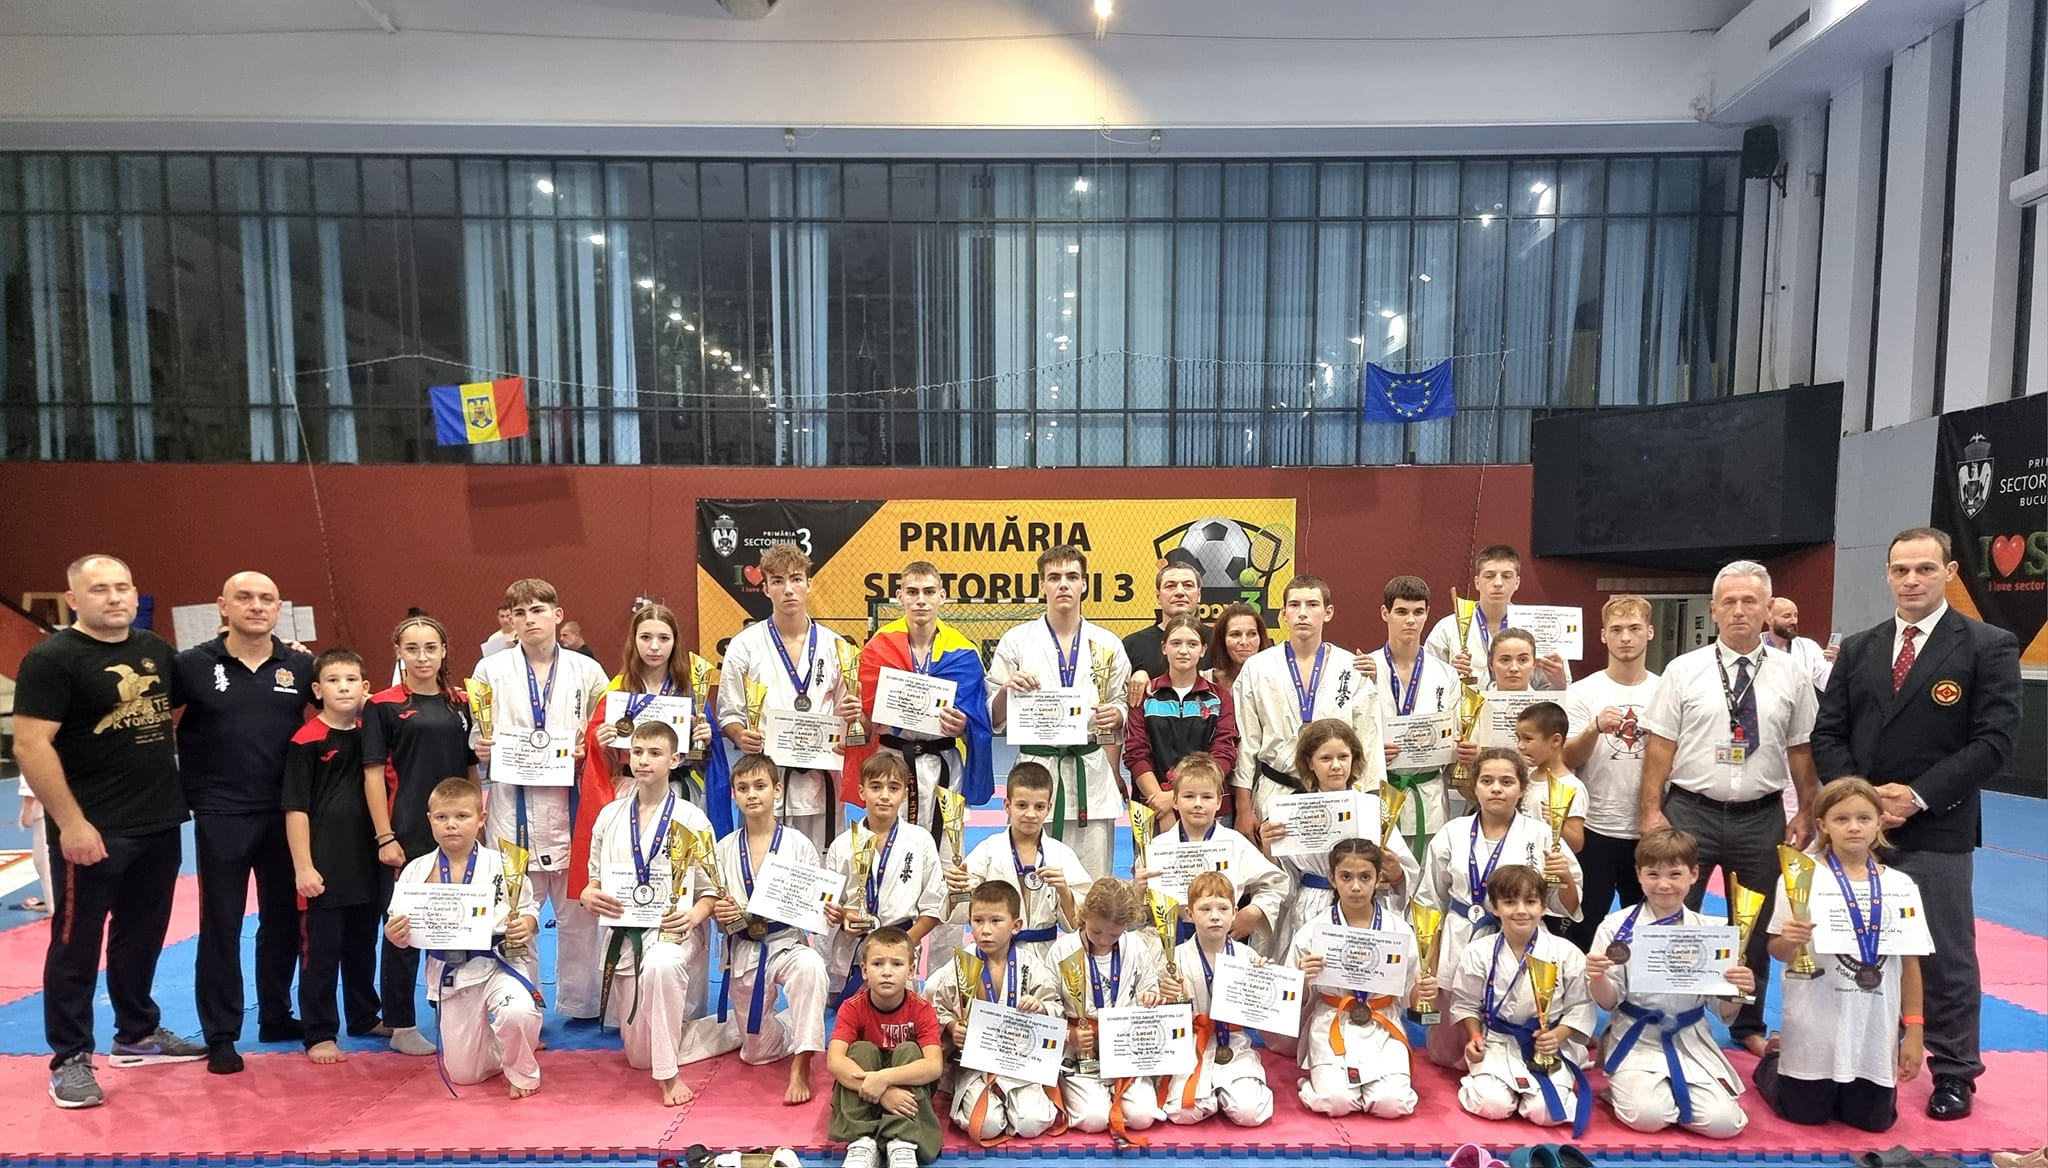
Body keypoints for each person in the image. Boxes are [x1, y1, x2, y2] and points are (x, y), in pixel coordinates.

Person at [1812, 527, 2020, 1121]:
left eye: (1925, 569)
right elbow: (1829, 732)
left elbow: (1995, 741)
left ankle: (1954, 1070)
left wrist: (1920, 795)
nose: (1911, 580)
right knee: (1848, 945)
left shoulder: (1987, 645)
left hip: (1937, 826)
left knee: (1944, 954)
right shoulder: (1861, 648)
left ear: (1949, 572)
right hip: (1858, 831)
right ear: (1886, 574)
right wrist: (1859, 800)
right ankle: (1854, 1056)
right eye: (1900, 569)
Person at [16, 555, 205, 1109]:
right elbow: (30, 744)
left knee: (142, 934)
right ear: (74, 598)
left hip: (158, 821)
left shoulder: (153, 649)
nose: (114, 597)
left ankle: (136, 1033)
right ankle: (70, 1057)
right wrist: (71, 823)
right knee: (76, 944)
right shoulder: (53, 659)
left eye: (122, 587)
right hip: (92, 828)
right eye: (99, 589)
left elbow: (197, 695)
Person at [1638, 559, 1820, 1058]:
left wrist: (1807, 811)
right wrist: (1651, 811)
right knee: (1672, 914)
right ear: (1714, 610)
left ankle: (1748, 1024)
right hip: (1689, 810)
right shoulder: (1683, 670)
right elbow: (1660, 747)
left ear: (1768, 609)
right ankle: (1668, 1016)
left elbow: (1801, 749)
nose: (1739, 610)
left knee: (1755, 926)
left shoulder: (1792, 674)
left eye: (1750, 601)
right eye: (1729, 602)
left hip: (1761, 815)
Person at [169, 570, 315, 1072]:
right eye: (245, 597)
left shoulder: (300, 665)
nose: (256, 606)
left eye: (267, 599)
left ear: (279, 609)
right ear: (223, 606)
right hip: (221, 812)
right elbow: (148, 719)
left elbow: (341, 715)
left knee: (283, 919)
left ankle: (276, 1014)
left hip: (285, 813)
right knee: (221, 924)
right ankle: (221, 1034)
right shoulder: (191, 665)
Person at [470, 578, 612, 1021]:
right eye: (520, 613)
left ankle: (582, 1004)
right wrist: (481, 745)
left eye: (538, 610)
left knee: (579, 915)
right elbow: (478, 732)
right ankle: (521, 1003)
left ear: (557, 614)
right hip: (513, 807)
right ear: (510, 622)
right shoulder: (489, 671)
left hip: (571, 804)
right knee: (517, 914)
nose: (529, 619)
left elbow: (604, 728)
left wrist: (589, 747)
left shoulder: (588, 670)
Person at [1755, 779, 1926, 1133]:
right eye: (1841, 819)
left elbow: (1910, 964)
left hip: (1873, 1023)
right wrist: (1789, 940)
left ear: (1880, 822)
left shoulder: (1900, 886)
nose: (1853, 827)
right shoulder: (1799, 876)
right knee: (1804, 1114)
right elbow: (1777, 951)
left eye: (1863, 818)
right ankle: (1774, 1058)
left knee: (1875, 1123)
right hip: (1815, 1018)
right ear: (1823, 825)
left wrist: (1914, 1030)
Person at [580, 721, 720, 1107]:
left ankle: (669, 1074)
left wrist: (694, 916)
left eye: (655, 753)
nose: (643, 760)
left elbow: (711, 892)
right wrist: (589, 895)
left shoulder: (693, 818)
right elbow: (593, 880)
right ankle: (732, 1031)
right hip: (626, 935)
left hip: (674, 932)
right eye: (638, 752)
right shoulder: (609, 815)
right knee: (638, 1056)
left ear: (674, 760)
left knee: (661, 964)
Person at [1416, 748, 1581, 1068]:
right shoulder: (1453, 832)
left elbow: (1568, 907)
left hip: (1519, 936)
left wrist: (1565, 878)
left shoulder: (1542, 835)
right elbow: (1429, 903)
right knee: (1447, 1055)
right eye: (1487, 781)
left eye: (1506, 782)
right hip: (1460, 933)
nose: (1496, 789)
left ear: (1522, 789)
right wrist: (1430, 969)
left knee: (1513, 1029)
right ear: (1474, 786)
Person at [1586, 827, 1753, 1138]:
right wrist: (1596, 976)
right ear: (1638, 875)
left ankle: (1662, 1094)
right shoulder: (1615, 928)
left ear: (1694, 874)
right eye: (1653, 874)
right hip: (1637, 1036)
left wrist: (1738, 988)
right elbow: (1608, 1002)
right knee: (1648, 1117)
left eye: (1675, 874)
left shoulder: (1712, 932)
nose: (1664, 885)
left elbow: (1723, 1012)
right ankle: (1625, 1089)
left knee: (1724, 1124)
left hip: (1691, 1037)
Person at [362, 614, 479, 1056]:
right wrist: (384, 836)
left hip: (458, 829)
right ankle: (400, 1023)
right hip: (409, 828)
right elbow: (373, 774)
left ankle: (463, 1012)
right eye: (412, 649)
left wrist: (476, 819)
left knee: (461, 923)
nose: (422, 657)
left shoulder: (461, 702)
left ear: (444, 650)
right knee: (403, 928)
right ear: (399, 652)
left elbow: (469, 767)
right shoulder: (383, 705)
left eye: (431, 648)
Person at [385, 777, 543, 1099]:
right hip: (453, 974)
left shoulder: (505, 865)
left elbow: (529, 907)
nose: (451, 825)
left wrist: (527, 923)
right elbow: (398, 926)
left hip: (500, 964)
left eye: (462, 816)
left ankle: (524, 1072)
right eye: (442, 817)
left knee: (517, 1012)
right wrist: (394, 934)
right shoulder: (417, 870)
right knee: (465, 1076)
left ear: (481, 818)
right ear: (429, 820)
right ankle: (497, 1048)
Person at [988, 545, 1130, 880]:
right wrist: (1007, 690)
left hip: (1090, 773)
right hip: (1035, 774)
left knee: (1092, 882)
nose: (1063, 584)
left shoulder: (1108, 643)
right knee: (1031, 878)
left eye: (1071, 576)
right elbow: (993, 717)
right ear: (1042, 585)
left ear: (1084, 584)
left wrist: (1118, 715)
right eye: (1054, 577)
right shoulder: (1016, 640)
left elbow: (1122, 702)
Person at [574, 603, 718, 919]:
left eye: (664, 638)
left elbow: (707, 758)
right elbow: (600, 760)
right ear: (634, 641)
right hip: (630, 790)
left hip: (680, 790)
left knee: (680, 866)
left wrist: (706, 739)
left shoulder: (690, 690)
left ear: (675, 642)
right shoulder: (618, 688)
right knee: (627, 860)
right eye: (646, 637)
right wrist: (600, 741)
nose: (654, 647)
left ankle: (679, 926)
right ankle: (628, 926)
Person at [716, 542, 858, 853]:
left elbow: (849, 717)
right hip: (767, 777)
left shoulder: (836, 646)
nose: (788, 589)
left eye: (796, 579)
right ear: (765, 588)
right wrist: (741, 736)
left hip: (822, 778)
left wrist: (850, 733)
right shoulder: (744, 646)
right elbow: (729, 712)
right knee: (766, 863)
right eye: (778, 581)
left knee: (822, 865)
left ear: (809, 584)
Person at [843, 562, 995, 844]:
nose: (921, 600)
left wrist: (964, 726)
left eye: (929, 592)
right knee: (888, 849)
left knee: (947, 853)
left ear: (942, 596)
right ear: (900, 596)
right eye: (912, 592)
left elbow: (977, 725)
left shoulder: (963, 652)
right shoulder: (878, 648)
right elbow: (866, 727)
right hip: (891, 763)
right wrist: (857, 717)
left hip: (944, 766)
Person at [709, 753, 831, 1104]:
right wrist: (720, 913)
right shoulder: (723, 849)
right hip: (746, 950)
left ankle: (802, 1062)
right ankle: (795, 1022)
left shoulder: (798, 844)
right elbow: (716, 910)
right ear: (734, 794)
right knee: (757, 1053)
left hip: (787, 942)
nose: (752, 794)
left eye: (760, 786)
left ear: (777, 790)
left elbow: (813, 904)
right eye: (743, 788)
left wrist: (825, 907)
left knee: (811, 967)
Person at [282, 648, 381, 1066]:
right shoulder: (306, 741)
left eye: (351, 680)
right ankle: (319, 1031)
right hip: (324, 864)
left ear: (365, 687)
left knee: (363, 945)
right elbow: (295, 808)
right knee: (321, 953)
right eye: (334, 680)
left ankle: (364, 1015)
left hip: (366, 859)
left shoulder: (370, 734)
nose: (343, 688)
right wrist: (303, 866)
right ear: (317, 690)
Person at [1231, 574, 1385, 839]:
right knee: (1274, 865)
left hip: (1337, 796)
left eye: (1312, 604)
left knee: (1338, 863)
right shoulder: (1257, 667)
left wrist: (1371, 804)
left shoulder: (1351, 668)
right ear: (1283, 613)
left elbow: (1368, 742)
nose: (1302, 613)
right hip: (1276, 791)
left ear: (1328, 612)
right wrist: (1243, 808)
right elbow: (1245, 742)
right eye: (1294, 605)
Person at [1287, 838, 1431, 1118]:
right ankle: (1312, 1083)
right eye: (1346, 877)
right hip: (1333, 1021)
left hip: (1382, 1022)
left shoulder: (1398, 931)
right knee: (1335, 1102)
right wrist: (1302, 978)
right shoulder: (1313, 931)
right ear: (1332, 879)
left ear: (1379, 879)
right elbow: (1292, 1001)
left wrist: (1423, 991)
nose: (1355, 886)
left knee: (1393, 1104)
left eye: (1365, 877)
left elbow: (1410, 997)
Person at [1447, 863, 1595, 1136]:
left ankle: (1535, 1091)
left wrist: (1557, 1036)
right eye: (1509, 902)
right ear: (1494, 907)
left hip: (1549, 1046)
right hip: (1497, 1041)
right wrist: (1474, 1037)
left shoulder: (1566, 953)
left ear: (1544, 906)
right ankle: (1498, 1087)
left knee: (1546, 1113)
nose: (1521, 910)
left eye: (1530, 901)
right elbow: (1465, 1004)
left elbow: (1581, 1006)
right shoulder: (1478, 951)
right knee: (1491, 1105)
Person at [928, 881, 1067, 1144]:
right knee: (987, 1126)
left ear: (1016, 925)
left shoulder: (1030, 966)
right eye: (978, 921)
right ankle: (995, 1105)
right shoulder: (959, 965)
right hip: (975, 1066)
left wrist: (1041, 1007)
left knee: (1031, 1123)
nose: (986, 930)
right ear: (969, 922)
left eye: (996, 921)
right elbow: (936, 1009)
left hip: (1021, 1064)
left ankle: (1010, 1103)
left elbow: (1057, 1010)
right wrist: (951, 1027)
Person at [1264, 720, 1420, 950]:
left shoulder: (1373, 806)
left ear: (1353, 759)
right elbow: (1285, 878)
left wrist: (1396, 873)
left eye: (1343, 757)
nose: (1336, 766)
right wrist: (1269, 848)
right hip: (1313, 904)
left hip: (1363, 904)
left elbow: (1405, 874)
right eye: (1326, 758)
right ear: (1310, 763)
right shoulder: (1292, 811)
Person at [1562, 595, 1660, 948]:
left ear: (1650, 632)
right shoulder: (1581, 692)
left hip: (1647, 828)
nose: (1626, 638)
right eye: (1616, 629)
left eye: (1634, 628)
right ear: (1603, 635)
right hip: (1595, 827)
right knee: (1584, 928)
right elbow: (1566, 759)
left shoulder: (1665, 690)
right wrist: (1594, 728)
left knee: (1647, 931)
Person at [1049, 878, 1167, 1141]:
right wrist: (1069, 1036)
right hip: (1081, 1052)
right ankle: (1090, 1093)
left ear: (1126, 926)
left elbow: (1149, 989)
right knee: (1094, 1119)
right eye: (1096, 931)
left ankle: (1120, 1093)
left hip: (1127, 1048)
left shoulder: (1136, 947)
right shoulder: (1062, 950)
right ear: (1084, 915)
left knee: (1142, 1117)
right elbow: (1050, 1003)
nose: (1103, 940)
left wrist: (1151, 998)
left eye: (1114, 935)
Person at [1156, 869, 1276, 1127]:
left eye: (1223, 909)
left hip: (1234, 1044)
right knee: (1184, 1114)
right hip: (1191, 1044)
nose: (1214, 916)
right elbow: (1160, 1017)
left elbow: (1265, 1009)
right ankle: (1211, 1095)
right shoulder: (1174, 959)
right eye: (1205, 909)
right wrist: (1166, 998)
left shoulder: (1247, 957)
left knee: (1250, 1114)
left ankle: (1229, 1090)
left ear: (1235, 913)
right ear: (1189, 913)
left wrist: (1264, 980)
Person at [823, 753, 946, 999]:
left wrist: (905, 943)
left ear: (904, 794)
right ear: (861, 791)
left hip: (902, 948)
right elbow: (829, 903)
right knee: (854, 1017)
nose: (885, 795)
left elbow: (935, 907)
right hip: (854, 950)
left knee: (899, 1018)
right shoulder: (842, 844)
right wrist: (844, 915)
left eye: (894, 788)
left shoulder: (920, 840)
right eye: (876, 787)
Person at [947, 761, 1092, 967]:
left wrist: (1064, 892)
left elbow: (1078, 925)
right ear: (1007, 805)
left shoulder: (1062, 855)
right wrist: (956, 890)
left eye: (1039, 807)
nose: (1030, 814)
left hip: (1045, 958)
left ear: (1049, 808)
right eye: (1022, 805)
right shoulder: (988, 850)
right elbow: (963, 912)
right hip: (995, 955)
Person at [1367, 576, 1470, 855]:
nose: (1410, 620)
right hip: (1379, 793)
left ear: (1427, 614)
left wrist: (1461, 749)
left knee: (1427, 878)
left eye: (1418, 612)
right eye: (1401, 612)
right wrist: (1372, 751)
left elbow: (1455, 735)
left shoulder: (1446, 674)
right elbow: (1351, 735)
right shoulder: (1365, 668)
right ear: (1385, 613)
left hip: (1429, 797)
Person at [1142, 753, 1287, 953]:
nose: (1198, 804)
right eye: (1189, 796)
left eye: (1207, 797)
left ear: (1219, 802)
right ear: (1174, 800)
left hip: (1223, 943)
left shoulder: (1235, 844)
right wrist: (1137, 890)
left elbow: (1277, 883)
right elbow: (1142, 908)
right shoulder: (1159, 847)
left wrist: (1254, 911)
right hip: (1172, 944)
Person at [827, 927, 947, 1168]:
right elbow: (835, 1061)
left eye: (897, 964)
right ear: (864, 970)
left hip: (904, 1091)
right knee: (860, 1050)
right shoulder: (852, 1007)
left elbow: (934, 1066)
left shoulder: (921, 1009)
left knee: (909, 1051)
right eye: (877, 964)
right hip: (866, 1089)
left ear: (911, 970)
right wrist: (883, 1092)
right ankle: (862, 1140)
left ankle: (902, 1141)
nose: (887, 972)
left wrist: (884, 1079)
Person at [1124, 616, 1238, 834]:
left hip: (1208, 807)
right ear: (1164, 648)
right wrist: (1162, 803)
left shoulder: (1220, 697)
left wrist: (1175, 798)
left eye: (1192, 644)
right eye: (1176, 643)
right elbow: (1136, 753)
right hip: (1153, 806)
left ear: (1203, 650)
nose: (1183, 650)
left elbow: (1224, 752)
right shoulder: (1146, 696)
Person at [1423, 545, 1569, 690]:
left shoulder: (1540, 628)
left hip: (1523, 705)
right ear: (1477, 582)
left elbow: (1555, 692)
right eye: (1489, 576)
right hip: (1463, 705)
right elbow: (1427, 682)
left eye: (1506, 576)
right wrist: (1449, 674)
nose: (1498, 583)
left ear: (1517, 583)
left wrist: (1559, 683)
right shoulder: (1448, 627)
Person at [1123, 560, 1205, 701]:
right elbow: (1117, 698)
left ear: (1199, 595)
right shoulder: (1132, 645)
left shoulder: (1218, 640)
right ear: (1158, 596)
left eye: (1188, 585)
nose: (1180, 592)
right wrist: (1134, 678)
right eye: (1170, 586)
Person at [1513, 701, 1587, 853]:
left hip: (1548, 862)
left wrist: (1558, 823)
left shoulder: (1571, 786)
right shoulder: (1525, 775)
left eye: (1528, 739)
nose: (1520, 745)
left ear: (1555, 740)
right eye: (1518, 738)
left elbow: (1577, 844)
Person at [1767, 598, 1834, 693]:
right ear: (1769, 619)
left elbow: (1827, 682)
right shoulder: (1756, 646)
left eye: (1795, 616)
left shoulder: (1808, 647)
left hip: (1800, 701)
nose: (1794, 621)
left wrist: (1837, 664)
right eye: (1786, 616)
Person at [1206, 602, 1269, 692]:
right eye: (1235, 634)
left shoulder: (1275, 680)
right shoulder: (1205, 680)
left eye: (1252, 634)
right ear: (1222, 639)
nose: (1244, 642)